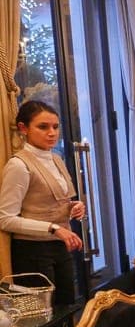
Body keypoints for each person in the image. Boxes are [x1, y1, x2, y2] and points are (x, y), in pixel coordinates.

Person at [0, 100, 86, 305]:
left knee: (67, 307)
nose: (52, 133)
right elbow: (5, 219)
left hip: (60, 246)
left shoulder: (56, 159)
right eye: (43, 127)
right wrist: (53, 228)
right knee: (45, 317)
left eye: (55, 127)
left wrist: (75, 207)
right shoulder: (18, 165)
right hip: (32, 251)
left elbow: (58, 200)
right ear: (23, 128)